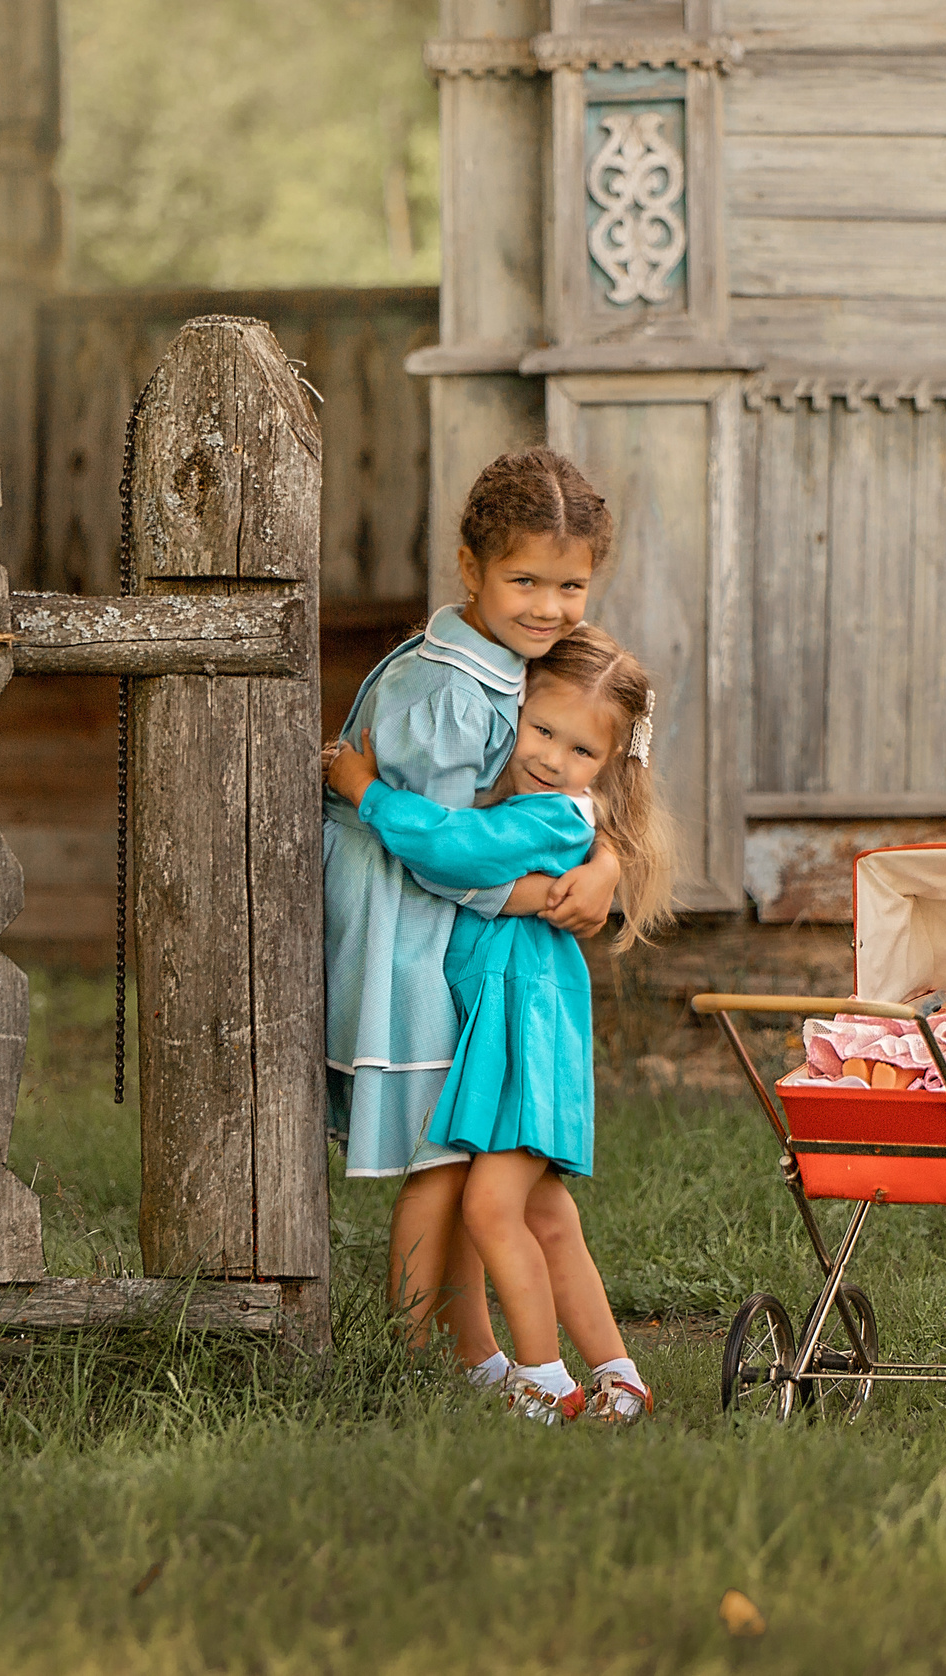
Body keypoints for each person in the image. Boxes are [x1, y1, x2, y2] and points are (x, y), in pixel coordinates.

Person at [321, 448, 622, 1386]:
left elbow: (575, 798)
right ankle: (415, 1354)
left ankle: (473, 1354)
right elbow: (443, 847)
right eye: (522, 579)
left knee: (454, 1152)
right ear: (471, 568)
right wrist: (537, 895)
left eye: (569, 584)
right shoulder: (454, 688)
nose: (547, 605)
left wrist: (603, 862)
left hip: (447, 928)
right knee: (440, 1159)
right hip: (405, 928)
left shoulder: (517, 667)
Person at [326, 624, 676, 1422]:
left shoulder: (553, 818)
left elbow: (454, 848)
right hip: (505, 1034)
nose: (552, 757)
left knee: (490, 1207)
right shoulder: (534, 804)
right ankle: (619, 1374)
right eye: (542, 729)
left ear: (609, 769)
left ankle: (543, 1377)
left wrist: (364, 791)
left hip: (527, 1035)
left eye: (580, 750)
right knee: (546, 1217)